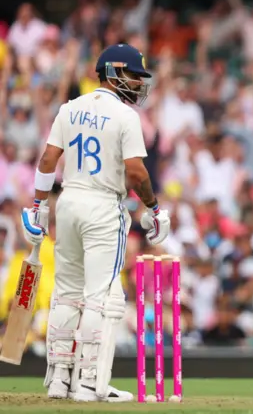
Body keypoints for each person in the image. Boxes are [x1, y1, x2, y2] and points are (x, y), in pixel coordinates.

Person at [20, 43, 171, 402]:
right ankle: (88, 383)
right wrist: (153, 208)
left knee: (67, 293)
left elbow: (47, 159)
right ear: (116, 73)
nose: (138, 84)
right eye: (134, 76)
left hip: (68, 203)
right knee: (99, 298)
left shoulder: (69, 108)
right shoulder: (125, 116)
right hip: (104, 206)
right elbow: (135, 172)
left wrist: (39, 204)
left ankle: (59, 380)